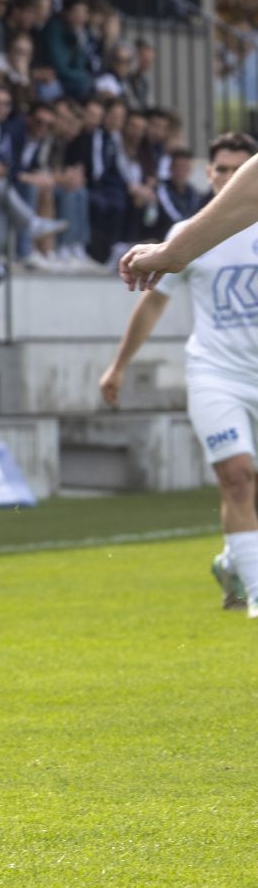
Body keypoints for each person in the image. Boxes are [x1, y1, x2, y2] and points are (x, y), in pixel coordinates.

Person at [103, 133, 258, 620]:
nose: (227, 177)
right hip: (218, 372)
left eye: (239, 168)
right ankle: (256, 593)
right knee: (237, 478)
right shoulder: (187, 233)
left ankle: (234, 560)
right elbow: (150, 307)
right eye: (220, 169)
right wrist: (119, 365)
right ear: (208, 174)